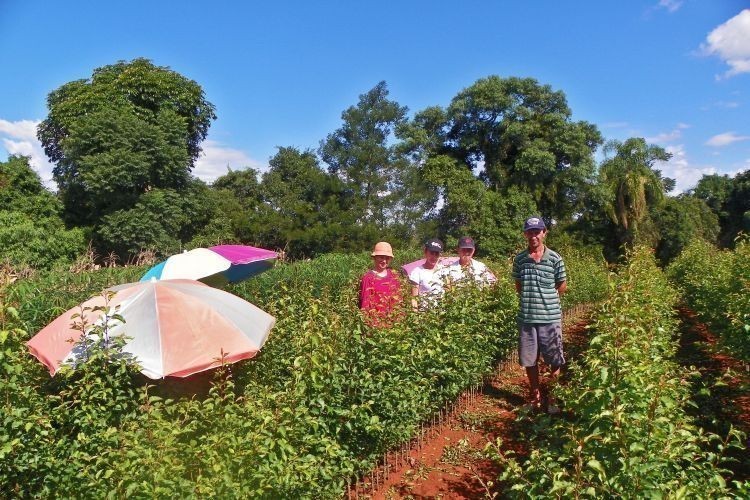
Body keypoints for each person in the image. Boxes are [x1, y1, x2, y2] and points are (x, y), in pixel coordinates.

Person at [512, 216, 567, 414]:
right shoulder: (520, 260)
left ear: (544, 233)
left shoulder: (555, 258)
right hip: (527, 319)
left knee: (554, 360)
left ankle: (552, 399)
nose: (533, 235)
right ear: (525, 234)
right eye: (529, 231)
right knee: (529, 360)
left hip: (550, 319)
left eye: (537, 231)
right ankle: (535, 398)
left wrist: (546, 302)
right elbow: (519, 287)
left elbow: (561, 286)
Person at [359, 241, 403, 327]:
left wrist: (399, 320)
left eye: (387, 258)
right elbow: (365, 303)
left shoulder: (394, 275)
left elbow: (399, 300)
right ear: (374, 258)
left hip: (393, 323)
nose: (384, 261)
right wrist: (369, 325)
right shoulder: (368, 278)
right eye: (381, 257)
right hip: (376, 325)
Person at [408, 238, 448, 310]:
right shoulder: (417, 272)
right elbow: (414, 298)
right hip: (425, 316)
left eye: (437, 254)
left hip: (442, 315)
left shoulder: (444, 271)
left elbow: (449, 293)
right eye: (431, 253)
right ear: (425, 252)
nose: (434, 256)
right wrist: (416, 318)